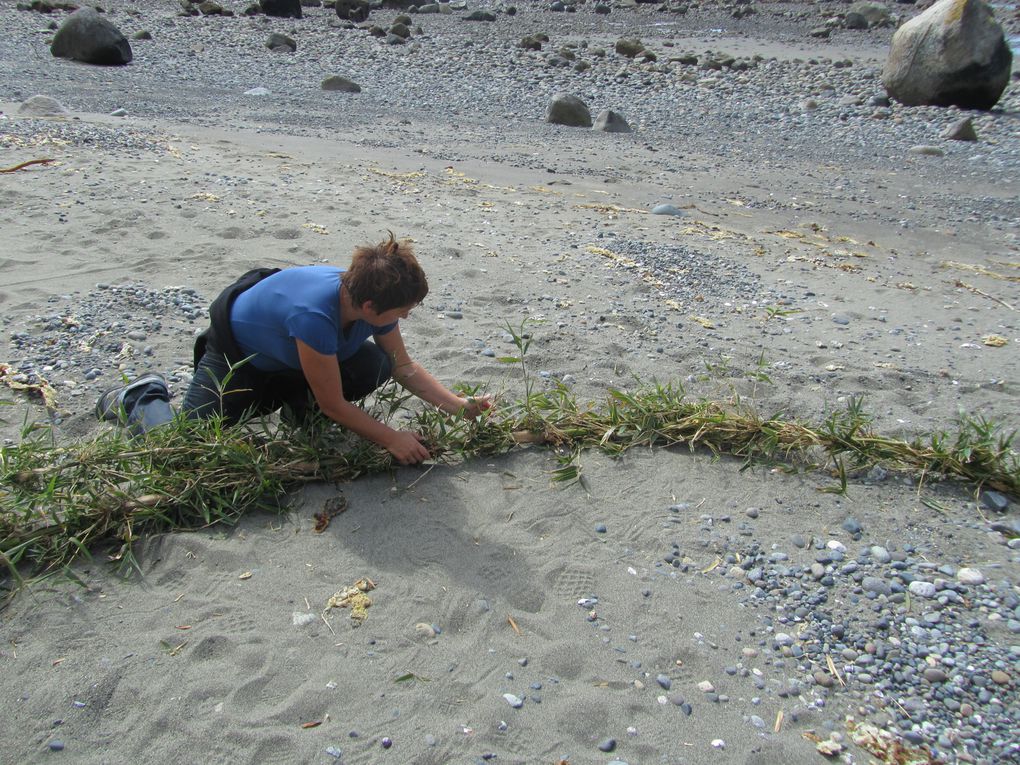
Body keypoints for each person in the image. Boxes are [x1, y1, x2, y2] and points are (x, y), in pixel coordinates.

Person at [95, 233, 492, 464]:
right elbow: (335, 404)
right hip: (241, 360)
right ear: (369, 307)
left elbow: (402, 365)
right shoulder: (314, 316)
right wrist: (391, 438)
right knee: (179, 450)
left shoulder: (374, 297)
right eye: (402, 311)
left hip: (293, 362)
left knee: (374, 364)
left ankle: (299, 412)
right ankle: (140, 395)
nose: (404, 317)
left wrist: (459, 406)